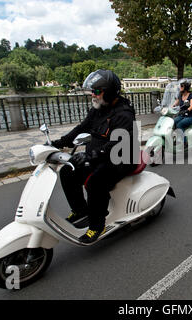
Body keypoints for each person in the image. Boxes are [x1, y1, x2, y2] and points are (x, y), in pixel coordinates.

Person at [51, 69, 137, 244]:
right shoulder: (98, 109)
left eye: (97, 91)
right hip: (98, 155)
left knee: (95, 182)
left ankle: (97, 226)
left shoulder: (124, 114)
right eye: (93, 91)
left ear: (110, 91)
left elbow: (116, 145)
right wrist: (57, 143)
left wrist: (91, 155)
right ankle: (80, 210)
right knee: (67, 172)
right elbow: (81, 128)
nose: (93, 95)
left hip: (122, 158)